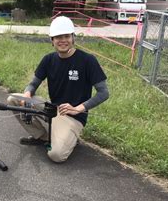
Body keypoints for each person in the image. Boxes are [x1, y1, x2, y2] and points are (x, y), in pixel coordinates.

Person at [8, 16, 109, 163]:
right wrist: (28, 94)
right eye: (58, 37)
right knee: (13, 100)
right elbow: (33, 83)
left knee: (56, 155)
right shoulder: (48, 59)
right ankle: (43, 137)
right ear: (52, 40)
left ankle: (68, 137)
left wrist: (78, 108)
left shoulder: (88, 60)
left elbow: (104, 93)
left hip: (73, 116)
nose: (63, 40)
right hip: (53, 109)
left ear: (73, 38)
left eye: (67, 36)